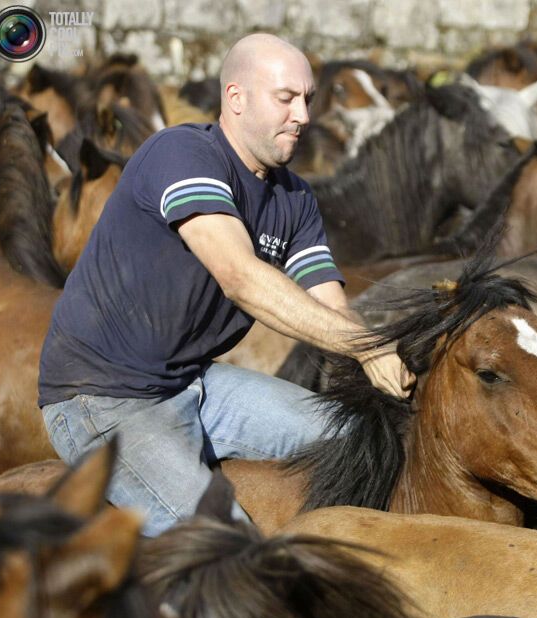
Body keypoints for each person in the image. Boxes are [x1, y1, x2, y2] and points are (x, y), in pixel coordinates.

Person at [37, 33, 414, 536]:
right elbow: (239, 276)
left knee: (360, 438)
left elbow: (332, 306)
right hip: (102, 396)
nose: (303, 115)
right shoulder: (182, 154)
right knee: (227, 547)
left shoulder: (294, 198)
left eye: (308, 99)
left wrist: (397, 368)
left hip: (196, 383)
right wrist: (366, 348)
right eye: (286, 98)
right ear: (235, 98)